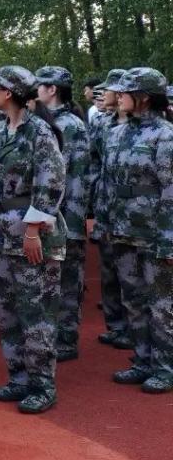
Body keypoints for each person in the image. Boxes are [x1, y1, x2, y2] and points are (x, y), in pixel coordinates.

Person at [0, 66, 66, 414]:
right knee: (8, 311)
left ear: (10, 93)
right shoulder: (1, 130)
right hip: (5, 232)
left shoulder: (38, 132)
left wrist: (33, 230)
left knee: (36, 312)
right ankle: (18, 378)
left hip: (32, 235)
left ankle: (42, 385)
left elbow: (51, 183)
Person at [104, 68, 173, 394]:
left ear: (144, 97)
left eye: (125, 91)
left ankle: (165, 367)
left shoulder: (165, 136)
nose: (118, 96)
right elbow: (108, 183)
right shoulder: (116, 133)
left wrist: (169, 240)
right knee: (133, 299)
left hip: (155, 234)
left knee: (161, 303)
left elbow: (170, 190)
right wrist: (105, 222)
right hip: (123, 230)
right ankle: (142, 360)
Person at [36, 67, 91, 362]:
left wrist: (73, 224)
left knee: (68, 279)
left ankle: (67, 337)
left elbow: (75, 177)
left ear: (52, 89)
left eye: (40, 85)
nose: (36, 90)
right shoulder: (45, 121)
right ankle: (50, 334)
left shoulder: (70, 125)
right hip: (51, 213)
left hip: (67, 213)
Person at [91, 69, 132, 350]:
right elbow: (93, 160)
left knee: (132, 275)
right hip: (106, 205)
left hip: (133, 213)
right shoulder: (102, 123)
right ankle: (116, 325)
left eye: (108, 89)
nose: (102, 93)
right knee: (109, 269)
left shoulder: (151, 127)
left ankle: (133, 329)